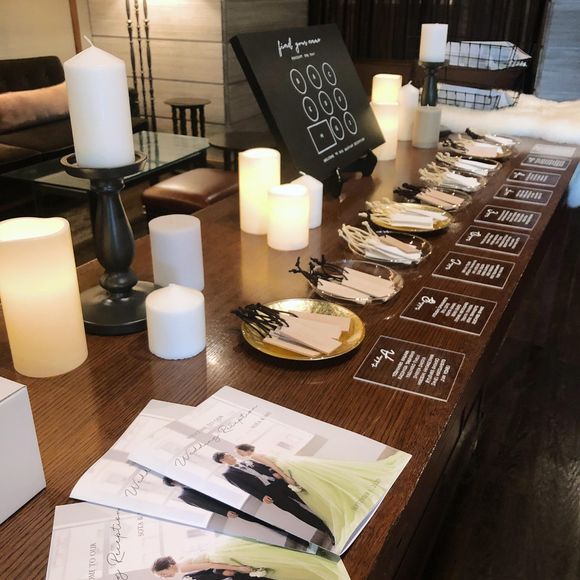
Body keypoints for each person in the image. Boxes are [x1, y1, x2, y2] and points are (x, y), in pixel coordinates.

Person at [234, 443, 411, 549]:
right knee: (322, 486)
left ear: (244, 451)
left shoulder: (255, 456)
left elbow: (273, 466)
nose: (239, 455)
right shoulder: (258, 452)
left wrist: (286, 477)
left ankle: (347, 502)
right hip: (294, 465)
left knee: (319, 490)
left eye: (239, 452)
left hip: (289, 470)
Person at [212, 452, 334, 545]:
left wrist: (274, 472)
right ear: (222, 460)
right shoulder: (229, 474)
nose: (231, 455)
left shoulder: (247, 461)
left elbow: (265, 467)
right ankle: (326, 530)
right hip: (270, 494)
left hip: (281, 483)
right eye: (227, 456)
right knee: (297, 511)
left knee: (307, 500)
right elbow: (245, 487)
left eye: (230, 454)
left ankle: (332, 516)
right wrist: (262, 497)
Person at [150, 535, 350, 579]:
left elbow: (211, 563)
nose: (164, 577)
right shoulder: (183, 561)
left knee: (274, 564)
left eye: (162, 574)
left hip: (226, 557)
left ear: (166, 567)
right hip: (225, 552)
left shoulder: (183, 568)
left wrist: (239, 569)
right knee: (273, 559)